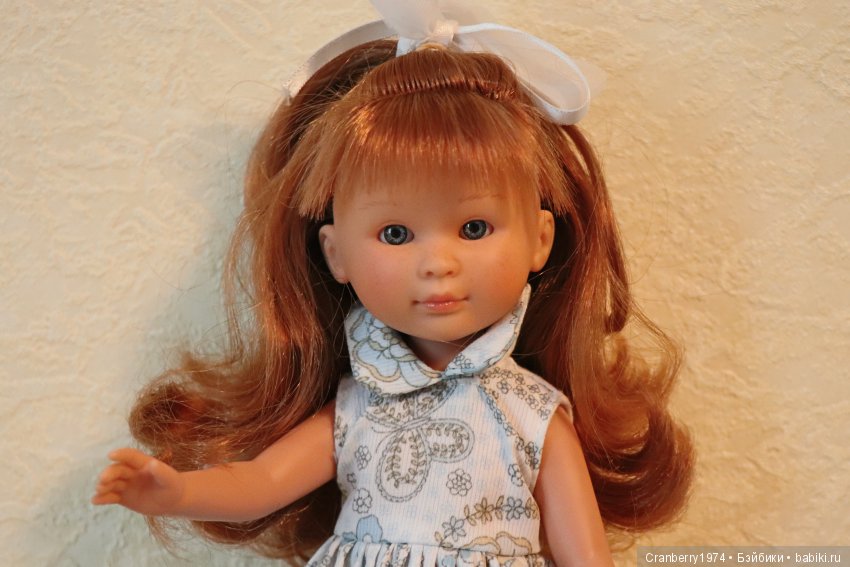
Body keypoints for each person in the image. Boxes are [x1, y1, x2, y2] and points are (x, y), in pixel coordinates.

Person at [93, 2, 693, 566]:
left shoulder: (532, 415)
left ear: (540, 239)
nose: (438, 263)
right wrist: (176, 492)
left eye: (474, 227)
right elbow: (261, 483)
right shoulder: (358, 408)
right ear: (336, 254)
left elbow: (585, 554)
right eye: (396, 234)